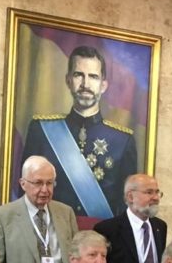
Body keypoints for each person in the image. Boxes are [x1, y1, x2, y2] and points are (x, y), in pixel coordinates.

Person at [20, 45, 137, 219]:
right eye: (78, 75)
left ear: (103, 85)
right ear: (68, 80)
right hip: (51, 229)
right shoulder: (41, 130)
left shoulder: (122, 140)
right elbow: (26, 192)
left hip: (101, 233)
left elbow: (126, 204)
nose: (85, 84)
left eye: (93, 77)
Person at [94, 173, 167, 263]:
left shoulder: (160, 226)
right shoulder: (107, 229)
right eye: (149, 192)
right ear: (130, 197)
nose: (156, 198)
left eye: (157, 192)